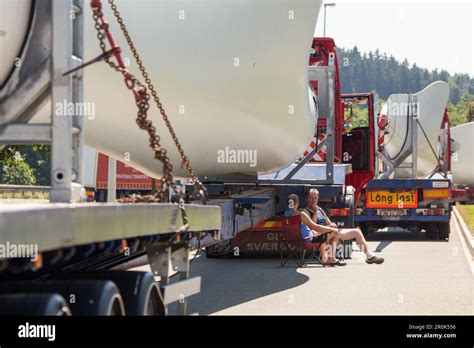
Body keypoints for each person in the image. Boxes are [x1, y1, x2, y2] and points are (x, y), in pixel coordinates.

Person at [305, 188, 384, 264]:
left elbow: (329, 222)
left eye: (315, 198)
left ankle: (370, 256)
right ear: (307, 199)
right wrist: (315, 212)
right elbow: (313, 226)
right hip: (320, 235)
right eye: (311, 198)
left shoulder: (320, 209)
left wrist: (332, 224)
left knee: (357, 231)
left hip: (331, 231)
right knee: (334, 233)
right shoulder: (306, 211)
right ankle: (330, 258)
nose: (314, 200)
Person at [285, 194, 341, 266]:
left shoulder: (285, 214)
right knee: (334, 233)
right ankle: (331, 258)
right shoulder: (301, 215)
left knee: (318, 233)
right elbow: (315, 227)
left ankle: (325, 257)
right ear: (297, 204)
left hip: (293, 240)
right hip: (307, 240)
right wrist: (331, 229)